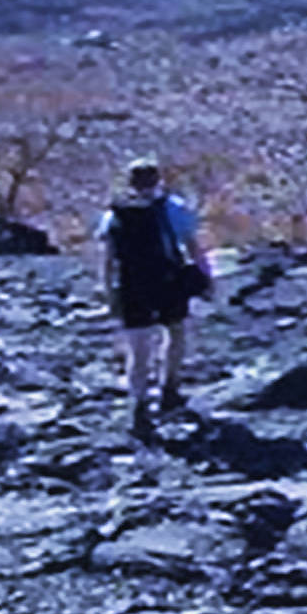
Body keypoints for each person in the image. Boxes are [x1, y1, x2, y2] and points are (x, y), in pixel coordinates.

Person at [99, 158, 212, 433]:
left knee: (138, 348)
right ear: (158, 180)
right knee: (175, 333)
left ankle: (138, 405)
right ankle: (169, 388)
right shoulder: (173, 208)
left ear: (130, 183)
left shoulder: (115, 214)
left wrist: (107, 291)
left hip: (131, 286)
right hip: (167, 281)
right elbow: (193, 246)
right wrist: (206, 276)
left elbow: (109, 258)